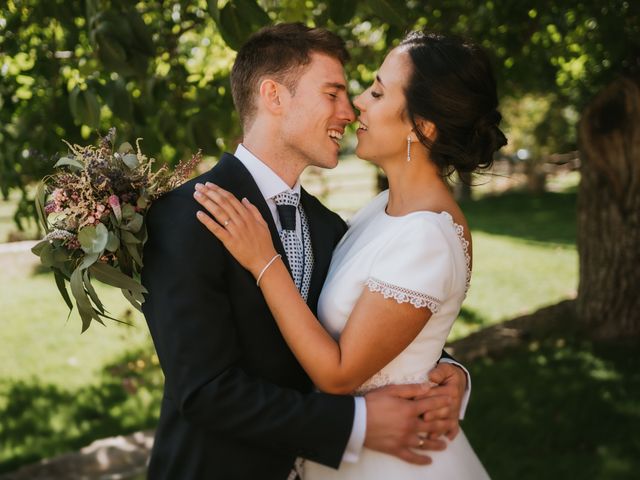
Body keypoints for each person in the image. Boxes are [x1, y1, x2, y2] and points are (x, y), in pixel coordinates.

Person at [142, 24, 470, 480]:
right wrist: (356, 425)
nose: (348, 108)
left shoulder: (331, 226)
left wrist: (445, 373)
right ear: (274, 96)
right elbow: (205, 392)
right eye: (332, 93)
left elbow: (374, 322)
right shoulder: (185, 217)